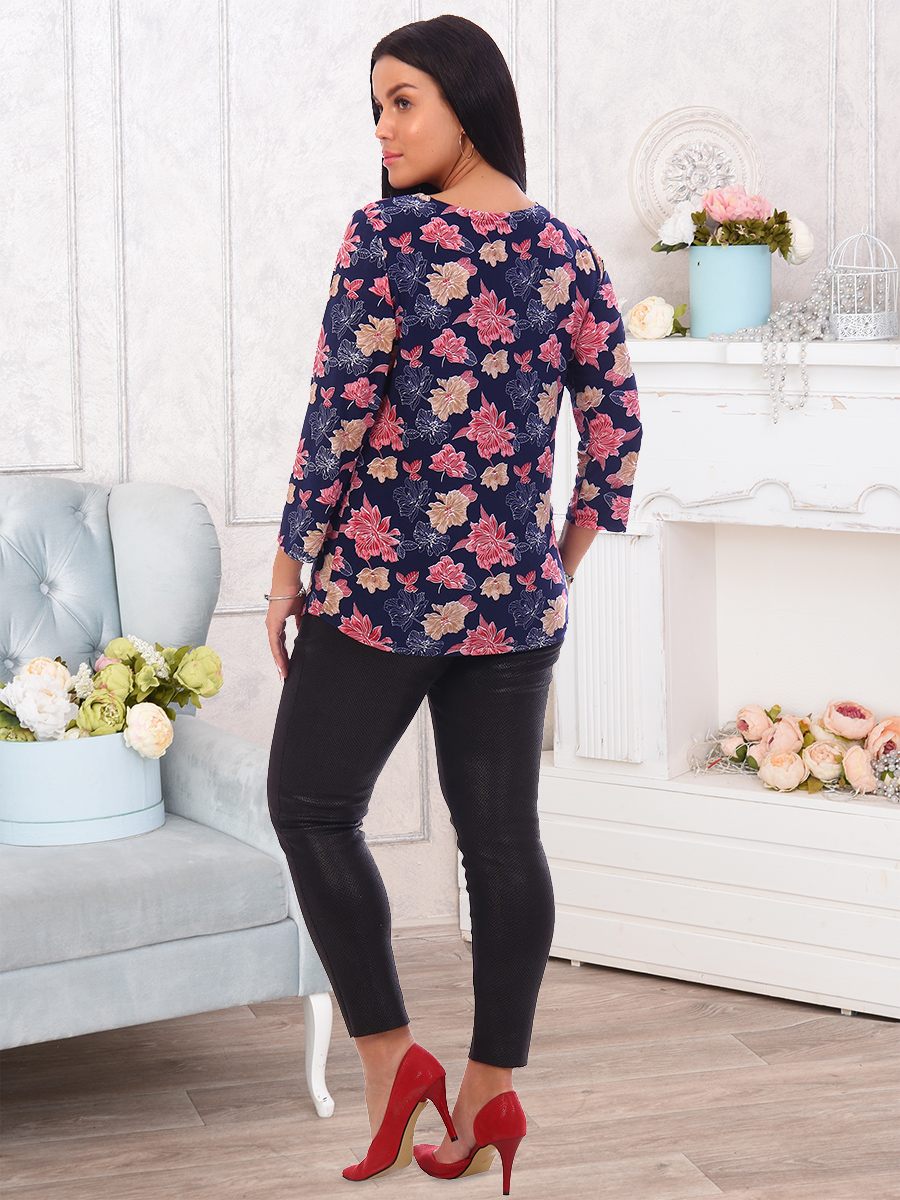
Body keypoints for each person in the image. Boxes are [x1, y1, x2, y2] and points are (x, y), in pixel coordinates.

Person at [265, 14, 641, 1193]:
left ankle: (394, 1061)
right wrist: (551, 567)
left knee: (308, 806)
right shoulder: (569, 252)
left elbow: (338, 412)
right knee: (504, 845)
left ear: (467, 99)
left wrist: (289, 565)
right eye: (375, 106)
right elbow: (617, 431)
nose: (382, 130)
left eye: (402, 101)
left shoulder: (386, 236)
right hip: (513, 606)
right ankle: (491, 1089)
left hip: (381, 590)